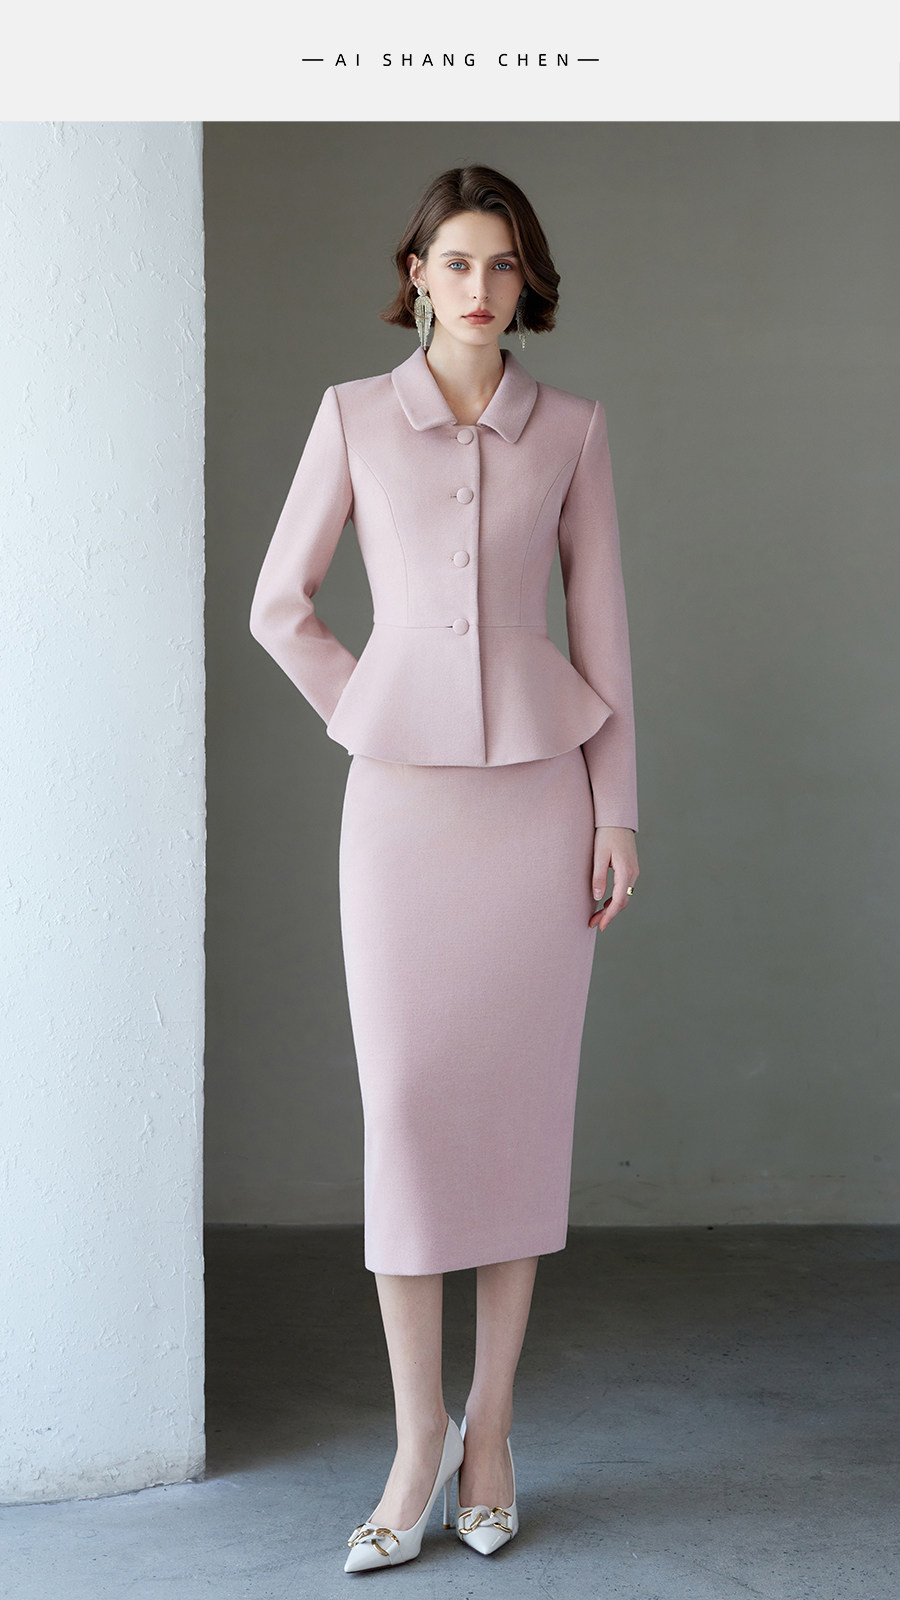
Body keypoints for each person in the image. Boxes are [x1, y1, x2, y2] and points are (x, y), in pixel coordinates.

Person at [249, 164, 640, 1572]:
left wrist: (618, 810)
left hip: (541, 805)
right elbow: (280, 606)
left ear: (529, 282)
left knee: (518, 1117)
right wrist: (376, 705)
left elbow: (603, 634)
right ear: (416, 273)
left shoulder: (572, 430)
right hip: (401, 816)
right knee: (409, 1114)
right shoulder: (353, 416)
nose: (481, 287)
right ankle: (417, 1439)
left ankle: (492, 1436)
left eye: (504, 264)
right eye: (457, 262)